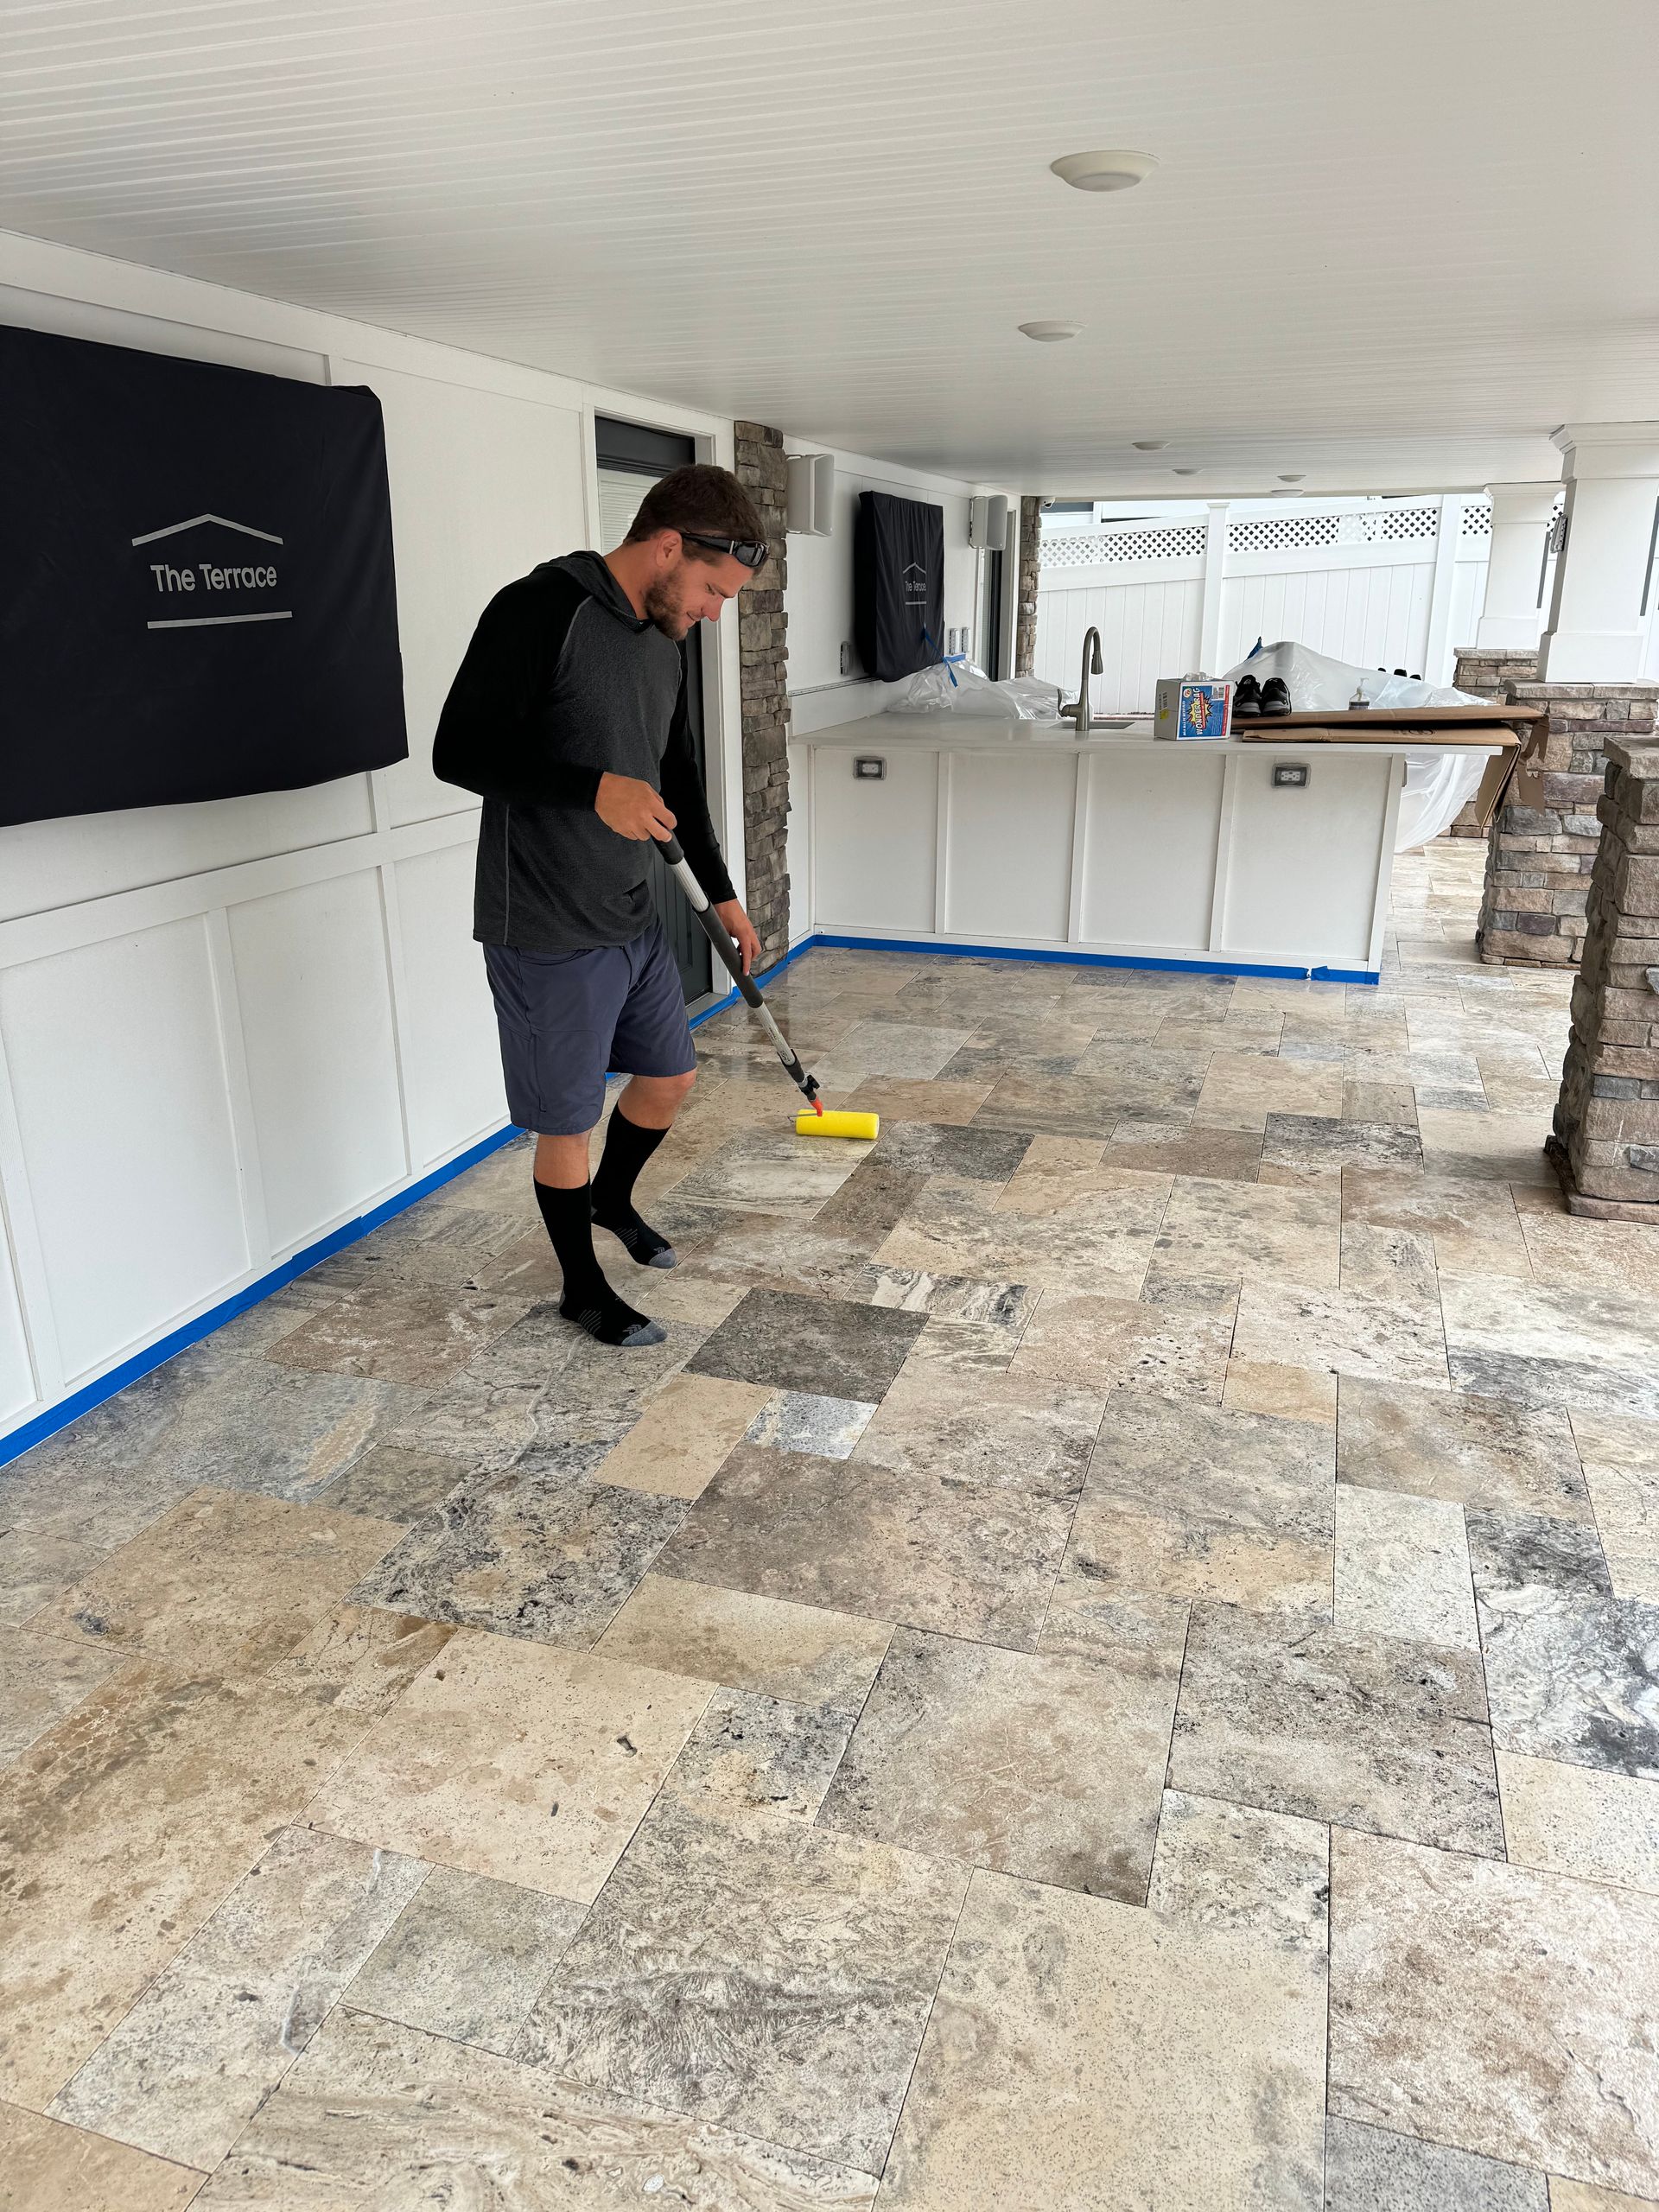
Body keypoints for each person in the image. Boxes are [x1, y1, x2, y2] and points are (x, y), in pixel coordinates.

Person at [434, 464, 766, 1348]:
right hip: (544, 921)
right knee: (567, 1120)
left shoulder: (665, 634)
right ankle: (582, 1288)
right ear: (666, 548)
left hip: (629, 912)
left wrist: (724, 895)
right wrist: (591, 791)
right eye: (710, 588)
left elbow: (678, 779)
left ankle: (613, 1201)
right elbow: (457, 750)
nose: (712, 610)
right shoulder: (540, 609)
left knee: (670, 1077)